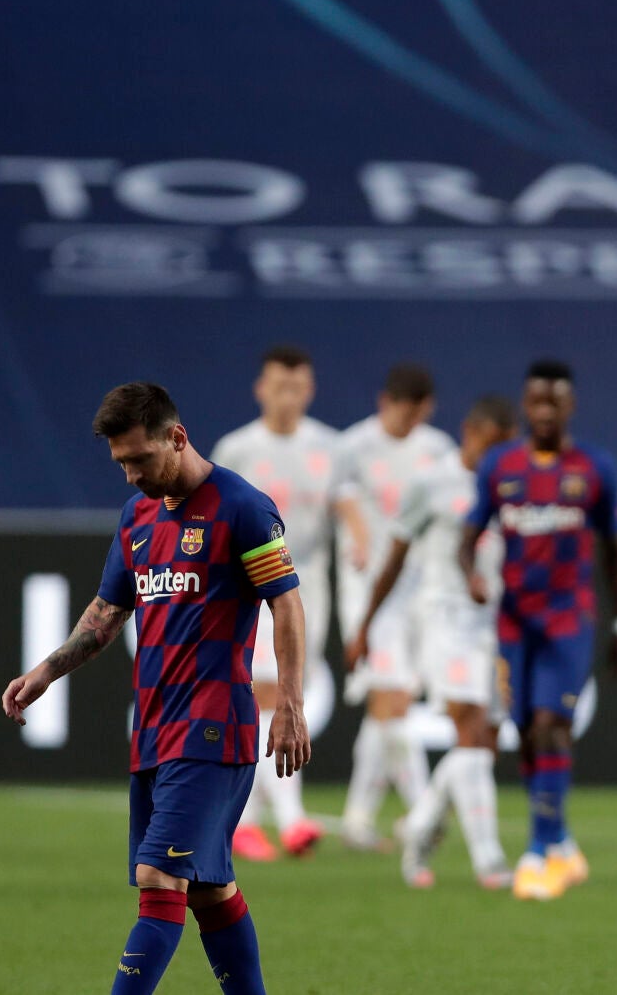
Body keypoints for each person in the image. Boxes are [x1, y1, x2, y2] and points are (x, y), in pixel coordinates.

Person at [1, 382, 309, 995]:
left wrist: (291, 703)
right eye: (121, 464)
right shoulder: (138, 516)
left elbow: (288, 605)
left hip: (213, 727)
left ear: (178, 437)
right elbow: (108, 613)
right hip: (154, 730)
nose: (131, 476)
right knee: (208, 888)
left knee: (158, 878)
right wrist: (46, 671)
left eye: (140, 460)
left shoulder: (242, 506)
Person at [461, 359, 617, 901]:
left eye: (553, 402)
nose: (543, 411)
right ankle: (560, 841)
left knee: (550, 723)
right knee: (524, 734)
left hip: (568, 619)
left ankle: (538, 854)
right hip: (514, 621)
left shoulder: (595, 469)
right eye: (535, 401)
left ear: (570, 406)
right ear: (524, 405)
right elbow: (468, 534)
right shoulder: (499, 466)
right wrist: (470, 572)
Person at [353, 395, 520, 889]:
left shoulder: (509, 486)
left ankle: (421, 826)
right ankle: (489, 859)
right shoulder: (431, 482)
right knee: (467, 730)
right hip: (444, 618)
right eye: (491, 444)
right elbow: (395, 556)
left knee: (483, 746)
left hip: (495, 623)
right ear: (471, 432)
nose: (496, 457)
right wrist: (366, 624)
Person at [211, 345, 337, 862]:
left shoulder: (331, 448)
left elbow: (347, 511)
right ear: (261, 388)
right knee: (269, 692)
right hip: (255, 585)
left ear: (309, 391)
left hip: (312, 587)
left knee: (289, 693)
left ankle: (244, 821)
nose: (288, 397)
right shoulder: (238, 449)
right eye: (278, 386)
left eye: (298, 387)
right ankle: (290, 818)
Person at [334, 363, 457, 850]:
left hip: (422, 590)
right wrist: (363, 538)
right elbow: (342, 497)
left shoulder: (437, 451)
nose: (408, 423)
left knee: (387, 709)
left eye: (417, 415)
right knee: (394, 699)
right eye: (402, 413)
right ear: (386, 402)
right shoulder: (354, 446)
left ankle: (358, 820)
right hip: (368, 592)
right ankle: (423, 811)